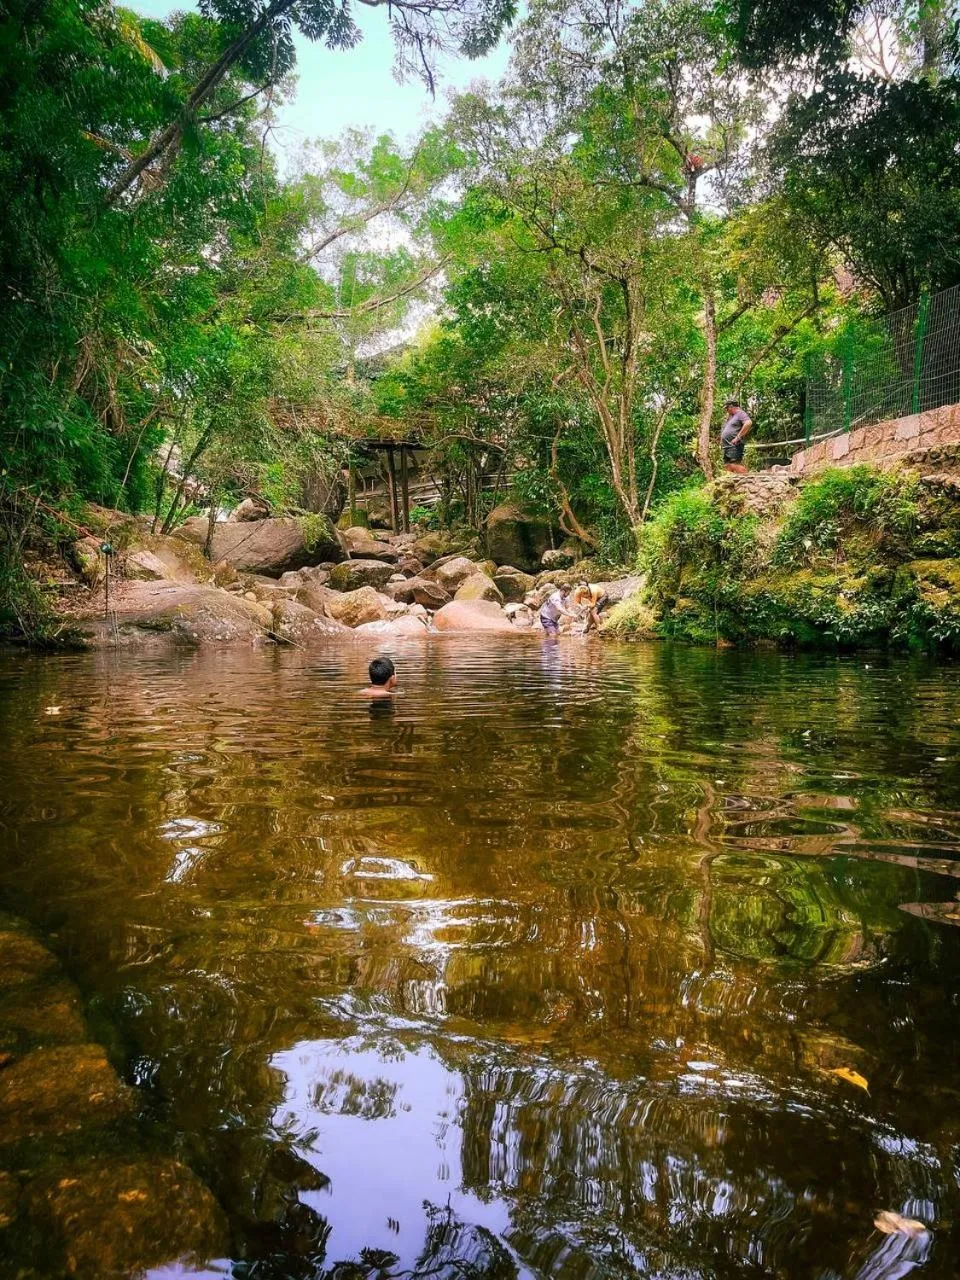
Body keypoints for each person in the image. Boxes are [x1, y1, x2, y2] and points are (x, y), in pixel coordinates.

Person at [720, 398, 753, 474]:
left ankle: (748, 480)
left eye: (727, 408)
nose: (726, 410)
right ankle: (731, 483)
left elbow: (748, 423)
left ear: (731, 406)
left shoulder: (740, 413)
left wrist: (738, 437)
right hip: (727, 446)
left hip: (735, 445)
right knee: (727, 466)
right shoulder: (731, 417)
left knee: (734, 464)